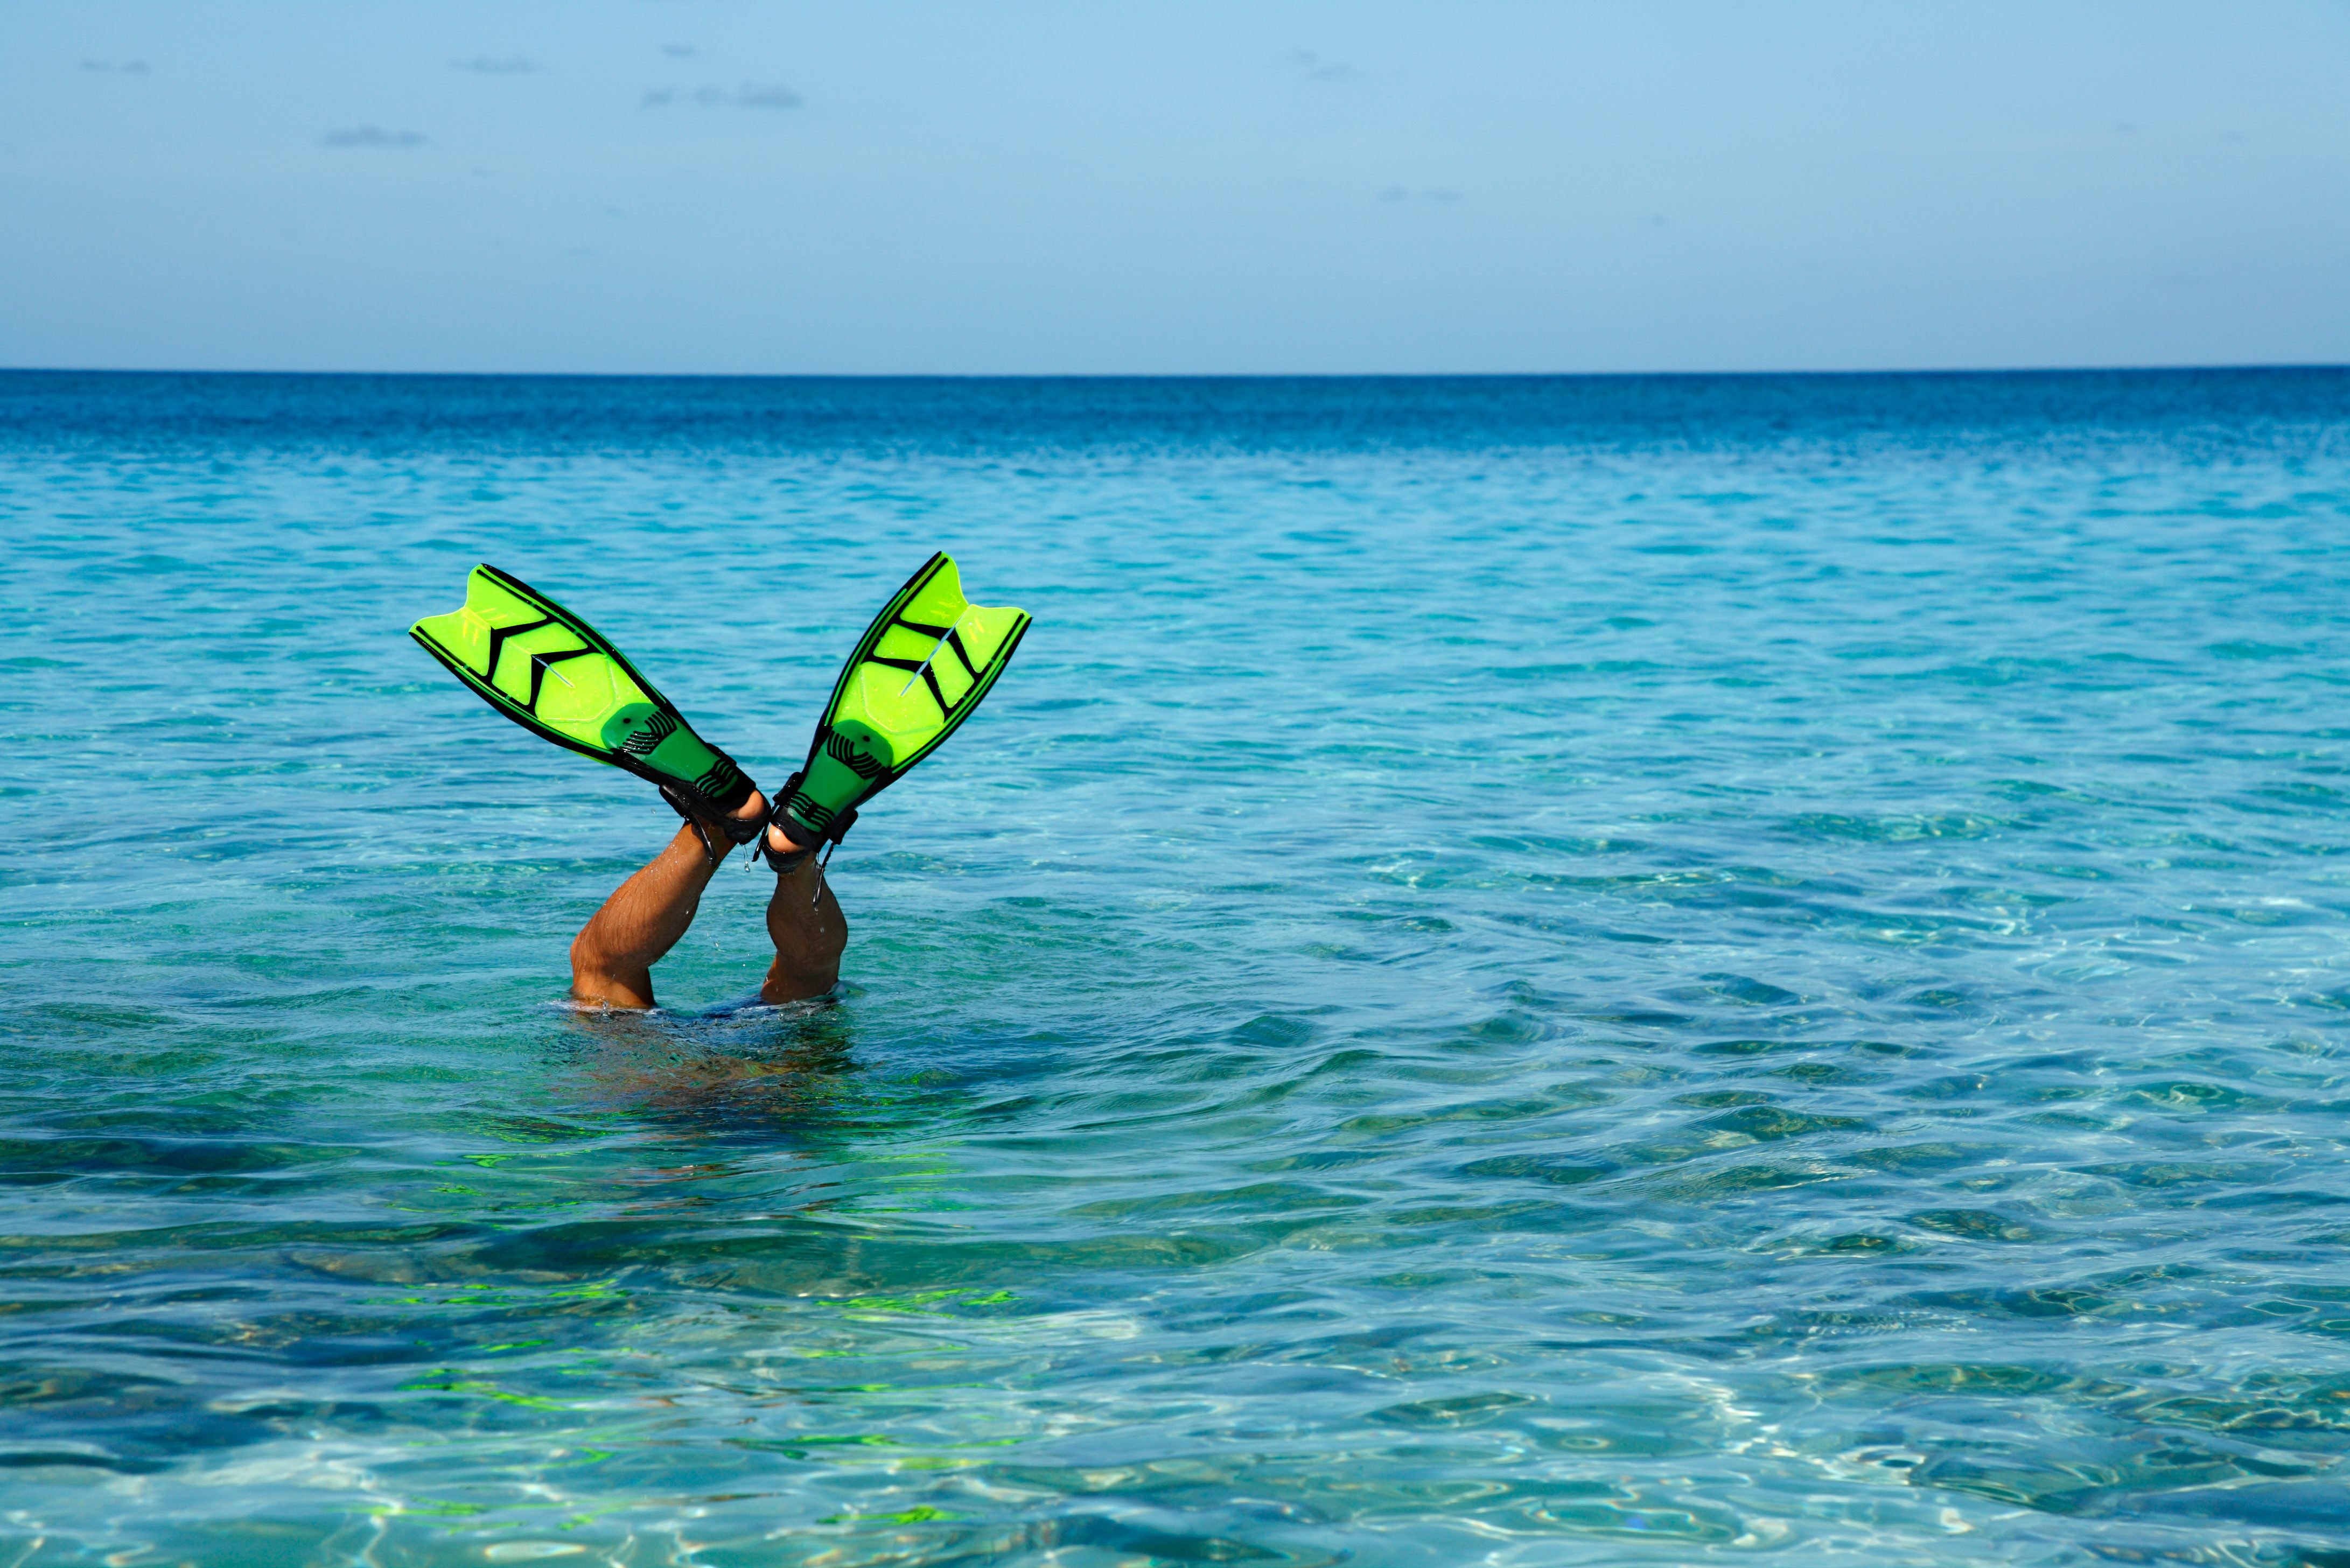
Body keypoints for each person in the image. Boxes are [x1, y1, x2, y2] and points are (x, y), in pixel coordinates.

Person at [568, 791, 847, 1011]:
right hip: (781, 1061)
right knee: (809, 984)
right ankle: (789, 846)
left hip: (650, 1071)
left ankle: (719, 824)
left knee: (601, 969)